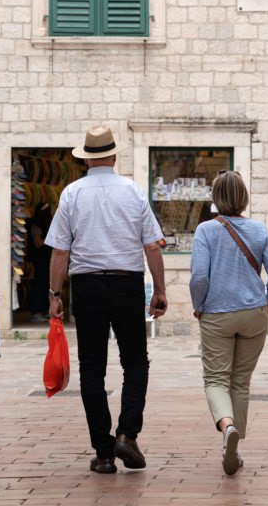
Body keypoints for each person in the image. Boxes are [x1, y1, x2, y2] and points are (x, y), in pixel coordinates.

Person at [45, 124, 168, 475]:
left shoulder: (71, 193)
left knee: (93, 369)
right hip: (127, 284)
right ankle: (127, 434)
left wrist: (55, 296)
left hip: (87, 287)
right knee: (136, 362)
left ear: (86, 160)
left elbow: (59, 252)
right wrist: (159, 290)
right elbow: (151, 246)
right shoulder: (133, 191)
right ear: (114, 156)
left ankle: (103, 451)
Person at [189, 170, 268, 475]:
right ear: (243, 197)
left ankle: (226, 426)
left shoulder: (205, 231)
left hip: (216, 313)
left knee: (216, 379)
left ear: (215, 198)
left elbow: (199, 277)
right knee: (240, 381)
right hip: (255, 312)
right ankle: (234, 447)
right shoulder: (260, 229)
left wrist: (198, 306)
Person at [27, 204, 52, 323]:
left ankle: (47, 311)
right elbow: (37, 243)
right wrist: (51, 240)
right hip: (40, 261)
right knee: (40, 286)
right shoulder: (36, 225)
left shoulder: (46, 224)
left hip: (46, 260)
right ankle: (36, 312)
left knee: (47, 286)